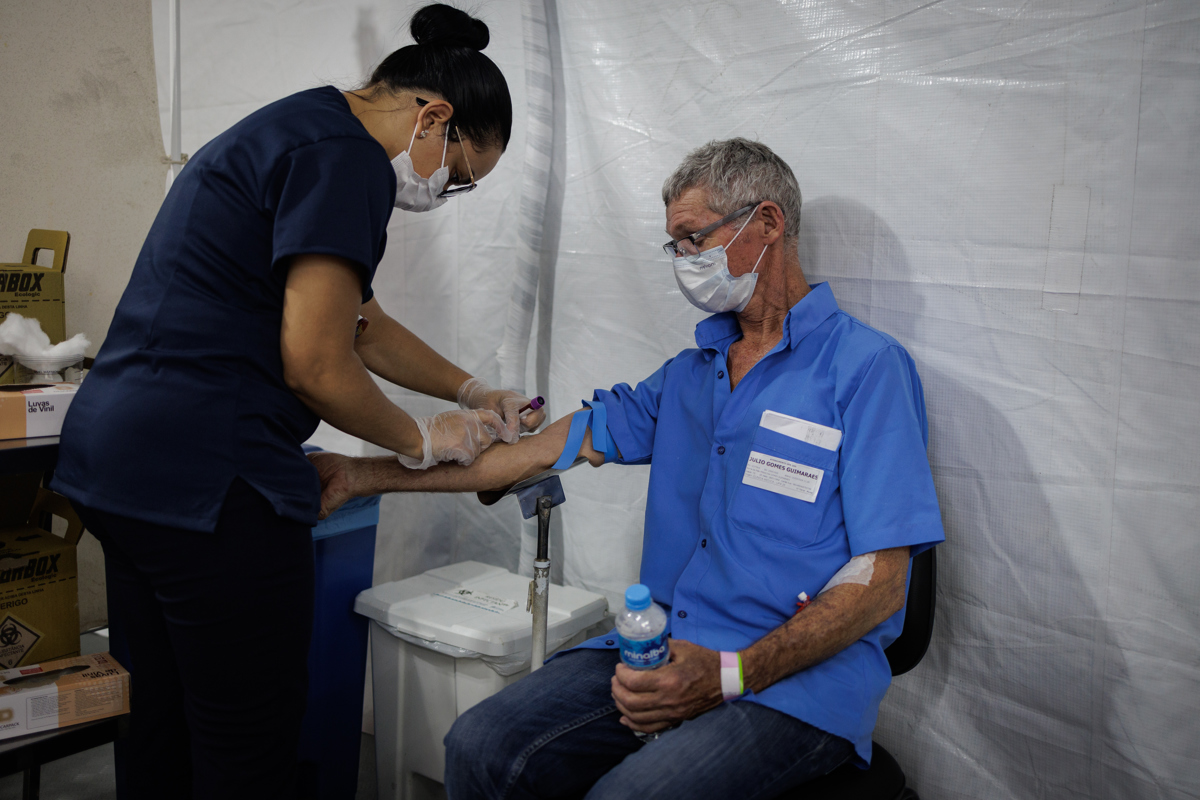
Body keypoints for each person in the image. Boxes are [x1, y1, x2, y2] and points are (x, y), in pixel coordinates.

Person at [311, 138, 946, 799]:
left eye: (693, 238)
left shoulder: (865, 369)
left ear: (767, 225)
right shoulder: (687, 378)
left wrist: (730, 674)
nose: (684, 262)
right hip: (662, 647)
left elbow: (881, 584)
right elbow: (520, 456)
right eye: (675, 246)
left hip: (795, 685)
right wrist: (360, 476)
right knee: (481, 745)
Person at [50, 6, 544, 798]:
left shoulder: (300, 126)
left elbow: (361, 321)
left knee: (161, 720)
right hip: (208, 481)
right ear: (435, 118)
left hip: (119, 466)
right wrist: (423, 438)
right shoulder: (345, 159)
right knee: (246, 744)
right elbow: (316, 362)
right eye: (458, 177)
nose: (443, 192)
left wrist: (472, 389)